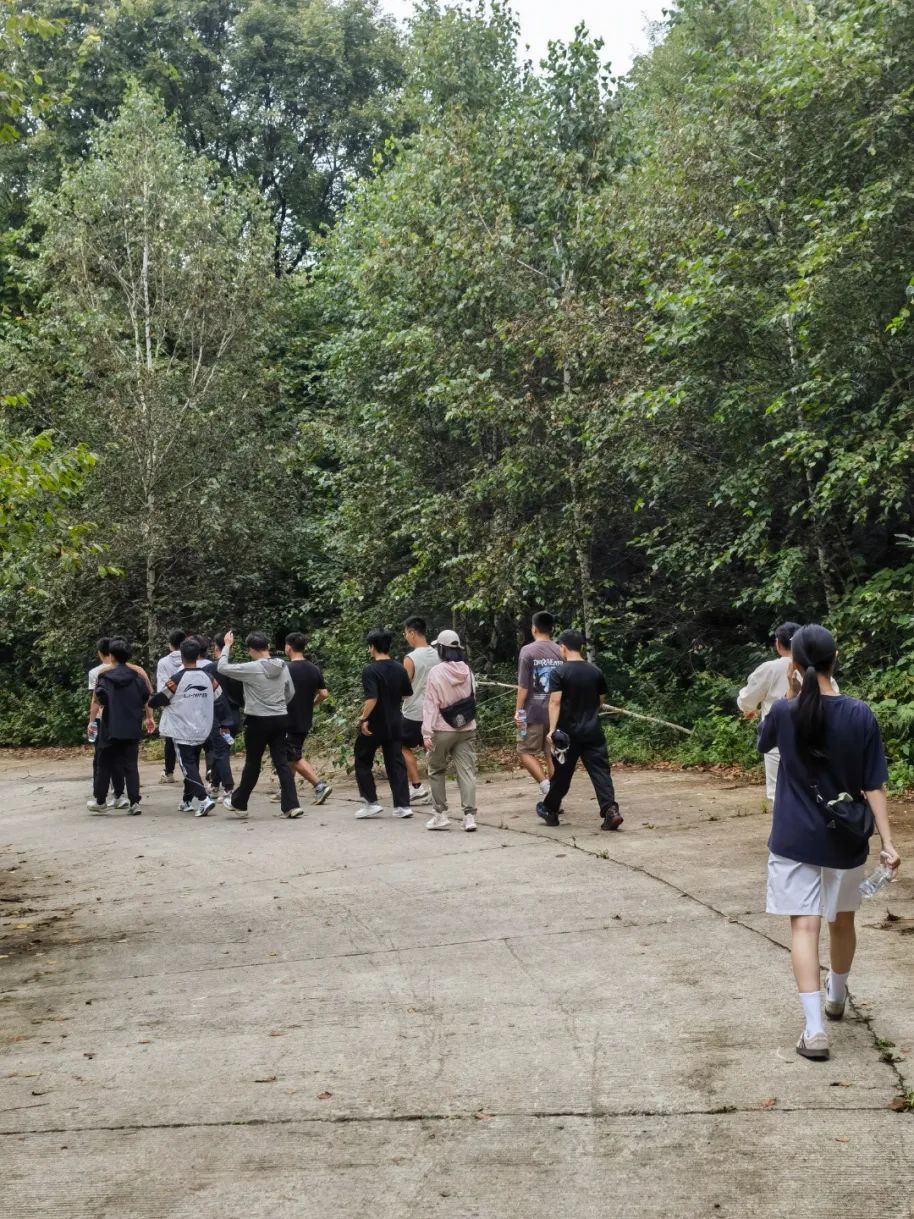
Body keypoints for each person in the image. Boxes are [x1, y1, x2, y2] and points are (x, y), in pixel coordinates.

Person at [758, 624, 900, 1062]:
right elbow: (873, 784)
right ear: (836, 658)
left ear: (794, 664)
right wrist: (888, 842)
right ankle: (837, 996)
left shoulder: (785, 713)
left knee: (805, 927)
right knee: (842, 920)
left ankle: (815, 1030)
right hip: (846, 838)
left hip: (795, 838)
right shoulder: (860, 713)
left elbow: (764, 743)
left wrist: (789, 694)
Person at [538, 629, 622, 831]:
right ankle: (611, 811)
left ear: (563, 648)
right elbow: (600, 701)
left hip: (567, 735)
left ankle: (550, 810)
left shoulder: (559, 672)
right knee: (600, 772)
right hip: (593, 731)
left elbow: (555, 702)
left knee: (562, 775)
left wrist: (552, 730)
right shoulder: (595, 671)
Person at [217, 630, 304, 819]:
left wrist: (227, 646)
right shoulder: (282, 665)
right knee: (282, 762)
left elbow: (222, 667)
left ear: (251, 650)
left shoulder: (251, 667)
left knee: (253, 763)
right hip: (281, 718)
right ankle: (291, 805)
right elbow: (290, 692)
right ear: (268, 646)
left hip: (258, 720)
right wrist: (278, 705)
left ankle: (240, 803)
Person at [149, 639, 219, 818]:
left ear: (182, 656)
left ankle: (204, 799)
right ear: (198, 655)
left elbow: (160, 699)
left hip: (182, 730)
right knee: (193, 765)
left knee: (187, 766)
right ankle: (187, 801)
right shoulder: (208, 677)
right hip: (202, 728)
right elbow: (219, 696)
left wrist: (149, 701)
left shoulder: (177, 679)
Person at [737, 622, 802, 802]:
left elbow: (748, 697)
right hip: (812, 738)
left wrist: (748, 708)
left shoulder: (770, 668)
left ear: (778, 644)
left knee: (778, 795)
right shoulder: (816, 665)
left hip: (777, 739)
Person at [87, 638, 153, 815]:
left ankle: (100, 801)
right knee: (131, 765)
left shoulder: (104, 676)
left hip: (110, 726)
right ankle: (134, 802)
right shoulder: (137, 676)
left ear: (112, 656)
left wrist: (92, 721)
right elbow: (146, 697)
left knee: (104, 764)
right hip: (132, 726)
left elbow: (98, 699)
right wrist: (149, 717)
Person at [353, 629, 413, 820]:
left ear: (372, 647)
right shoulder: (399, 668)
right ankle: (402, 806)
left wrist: (363, 718)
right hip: (395, 721)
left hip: (375, 723)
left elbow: (372, 698)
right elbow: (407, 693)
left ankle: (371, 802)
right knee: (396, 762)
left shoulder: (370, 670)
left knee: (362, 758)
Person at [422, 629, 477, 832]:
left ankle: (441, 815)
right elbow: (473, 696)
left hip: (442, 729)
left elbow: (430, 704)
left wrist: (427, 733)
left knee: (436, 770)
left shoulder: (436, 672)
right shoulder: (468, 671)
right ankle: (469, 817)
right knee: (466, 771)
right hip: (467, 728)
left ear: (441, 649)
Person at [514, 611, 563, 799]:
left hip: (531, 713)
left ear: (534, 628)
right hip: (555, 713)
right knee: (551, 753)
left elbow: (523, 686)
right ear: (552, 629)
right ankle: (555, 794)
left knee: (524, 751)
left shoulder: (527, 651)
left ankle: (546, 787)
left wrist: (518, 711)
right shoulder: (560, 650)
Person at [282, 632, 332, 805]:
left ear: (289, 647)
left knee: (292, 754)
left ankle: (319, 785)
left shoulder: (285, 668)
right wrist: (312, 704)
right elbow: (324, 693)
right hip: (305, 718)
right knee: (292, 753)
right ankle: (286, 789)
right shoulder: (313, 668)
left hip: (288, 719)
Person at [400, 615, 440, 805]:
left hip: (414, 711)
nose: (405, 637)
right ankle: (435, 789)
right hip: (435, 712)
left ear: (412, 633)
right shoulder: (439, 654)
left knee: (401, 746)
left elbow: (404, 687)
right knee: (430, 748)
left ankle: (416, 787)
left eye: (405, 633)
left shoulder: (411, 658)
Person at [155, 629, 186, 784]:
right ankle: (197, 772)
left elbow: (162, 688)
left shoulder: (163, 662)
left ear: (169, 644)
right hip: (191, 704)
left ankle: (169, 772)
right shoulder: (191, 658)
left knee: (170, 739)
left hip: (172, 704)